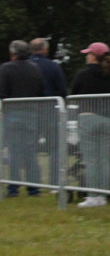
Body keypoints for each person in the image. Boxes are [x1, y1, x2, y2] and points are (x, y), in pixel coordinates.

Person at [71, 42, 110, 208]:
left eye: (88, 53)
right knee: (104, 159)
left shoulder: (83, 74)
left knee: (91, 159)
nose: (86, 56)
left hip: (88, 118)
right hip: (107, 120)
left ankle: (92, 196)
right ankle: (102, 196)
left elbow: (74, 94)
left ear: (93, 56)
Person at [0, 40, 45, 196]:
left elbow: (2, 92)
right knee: (31, 152)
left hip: (12, 114)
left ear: (13, 53)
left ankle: (13, 188)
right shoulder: (35, 68)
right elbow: (41, 90)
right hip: (32, 114)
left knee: (14, 152)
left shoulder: (5, 68)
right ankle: (33, 188)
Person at [29, 38, 68, 185]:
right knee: (54, 147)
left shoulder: (27, 65)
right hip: (49, 110)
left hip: (30, 110)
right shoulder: (53, 66)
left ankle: (33, 181)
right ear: (45, 49)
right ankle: (54, 182)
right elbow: (62, 89)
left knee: (30, 147)